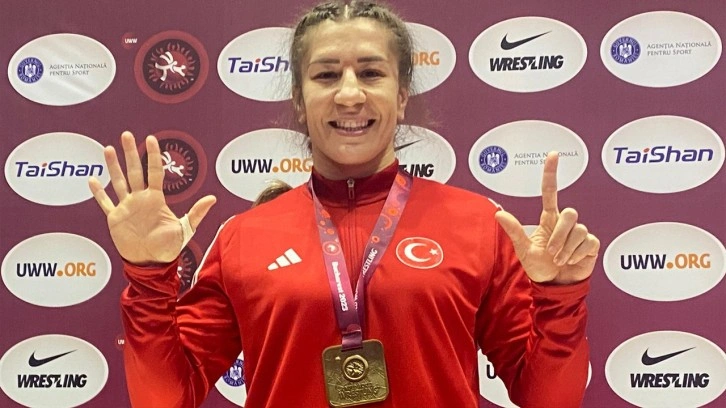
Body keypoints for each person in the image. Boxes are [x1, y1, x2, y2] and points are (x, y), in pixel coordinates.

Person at [88, 1, 600, 407]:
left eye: (371, 73)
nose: (349, 95)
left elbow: (546, 398)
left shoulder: (475, 224)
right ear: (298, 98)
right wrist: (148, 278)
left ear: (402, 95)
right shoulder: (244, 237)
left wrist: (559, 298)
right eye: (327, 75)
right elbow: (166, 398)